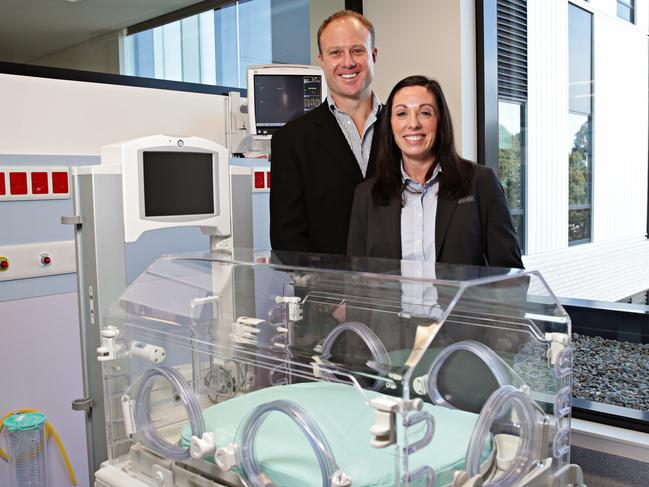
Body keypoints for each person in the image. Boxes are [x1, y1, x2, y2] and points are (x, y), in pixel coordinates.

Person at [347, 75, 524, 268]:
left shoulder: (481, 183)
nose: (413, 124)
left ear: (440, 122)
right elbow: (356, 281)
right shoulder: (366, 195)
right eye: (401, 114)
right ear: (390, 125)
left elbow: (510, 276)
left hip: (461, 300)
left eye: (424, 113)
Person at [270, 10, 382, 255]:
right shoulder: (291, 141)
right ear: (321, 60)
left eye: (357, 50)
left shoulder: (405, 131)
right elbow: (286, 236)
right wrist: (322, 285)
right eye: (336, 53)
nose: (348, 62)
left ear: (373, 55)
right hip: (327, 288)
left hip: (398, 286)